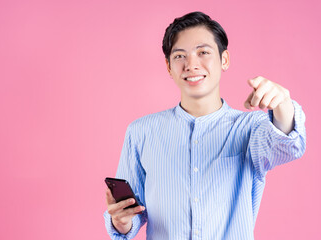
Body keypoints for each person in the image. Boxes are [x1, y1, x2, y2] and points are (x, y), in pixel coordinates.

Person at [103, 11, 306, 240]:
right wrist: (121, 221)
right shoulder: (141, 132)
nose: (191, 64)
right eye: (180, 56)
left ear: (224, 59)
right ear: (169, 67)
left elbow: (288, 146)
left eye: (203, 52)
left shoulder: (250, 128)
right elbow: (132, 211)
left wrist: (282, 104)